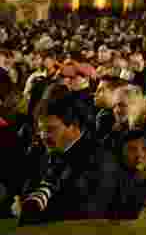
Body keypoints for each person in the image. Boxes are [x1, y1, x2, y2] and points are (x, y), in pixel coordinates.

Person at [15, 92, 120, 223]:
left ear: (74, 126)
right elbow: (26, 192)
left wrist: (34, 216)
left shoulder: (100, 159)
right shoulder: (40, 153)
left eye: (50, 129)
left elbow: (87, 212)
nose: (43, 136)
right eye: (41, 130)